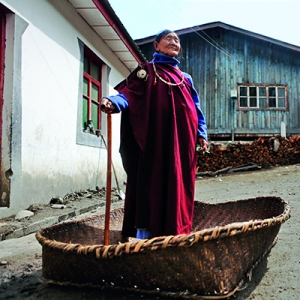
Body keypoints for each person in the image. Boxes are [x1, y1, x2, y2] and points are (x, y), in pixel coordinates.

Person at [100, 29, 208, 240]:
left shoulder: (186, 79)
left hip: (182, 141)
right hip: (155, 142)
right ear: (156, 46)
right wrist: (113, 102)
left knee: (180, 183)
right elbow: (129, 95)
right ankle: (146, 233)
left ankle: (178, 230)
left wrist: (201, 134)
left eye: (177, 40)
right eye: (168, 38)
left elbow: (196, 108)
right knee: (152, 182)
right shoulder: (146, 72)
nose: (174, 42)